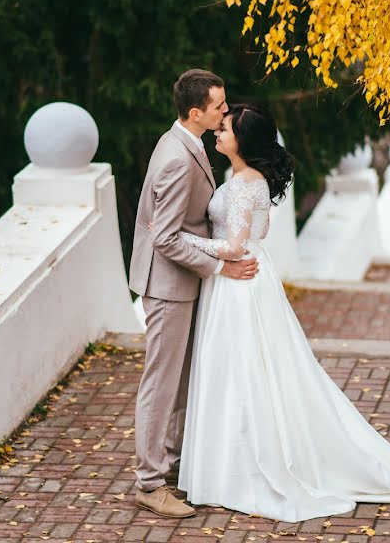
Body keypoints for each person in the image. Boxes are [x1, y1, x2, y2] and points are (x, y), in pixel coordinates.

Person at [176, 103, 390, 522]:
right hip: (248, 278)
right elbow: (262, 231)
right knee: (249, 369)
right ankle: (231, 462)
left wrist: (182, 239)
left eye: (226, 128)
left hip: (239, 281)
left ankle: (238, 468)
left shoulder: (242, 183)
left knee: (244, 370)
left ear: (244, 141)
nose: (218, 131)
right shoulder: (242, 179)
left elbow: (235, 247)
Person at [128, 69, 259, 518]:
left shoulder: (188, 141)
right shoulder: (178, 159)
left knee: (180, 381)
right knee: (161, 384)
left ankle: (170, 465)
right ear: (196, 112)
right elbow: (164, 237)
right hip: (167, 287)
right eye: (220, 106)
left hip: (182, 282)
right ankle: (148, 483)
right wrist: (219, 266)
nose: (227, 111)